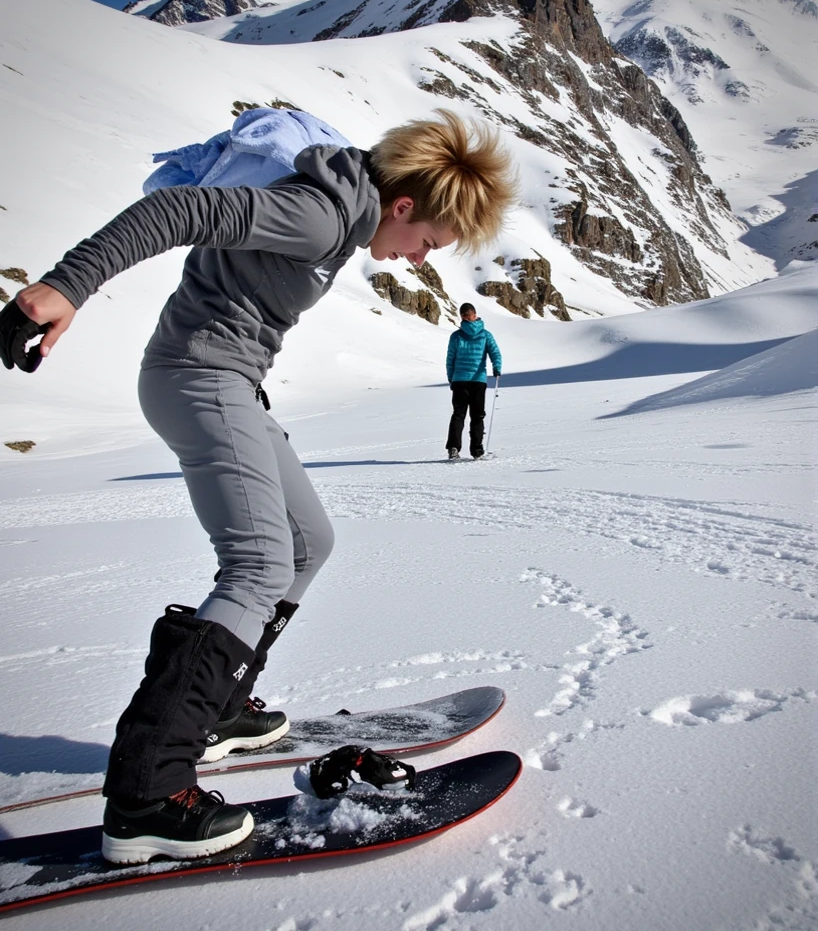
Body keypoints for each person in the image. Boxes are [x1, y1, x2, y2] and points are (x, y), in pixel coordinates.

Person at [0, 109, 516, 865]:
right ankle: (147, 794)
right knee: (258, 565)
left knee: (310, 542)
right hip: (197, 378)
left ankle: (217, 708)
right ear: (403, 207)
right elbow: (179, 210)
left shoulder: (343, 213)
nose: (416, 260)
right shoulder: (320, 214)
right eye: (427, 243)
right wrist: (65, 285)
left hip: (228, 383)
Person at [445, 302, 502, 460]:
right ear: (475, 315)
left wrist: (451, 378)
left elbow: (450, 360)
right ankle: (477, 450)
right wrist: (497, 367)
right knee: (477, 416)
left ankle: (453, 448)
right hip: (478, 381)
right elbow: (495, 353)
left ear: (462, 317)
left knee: (458, 415)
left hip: (460, 380)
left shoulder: (456, 336)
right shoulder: (485, 335)